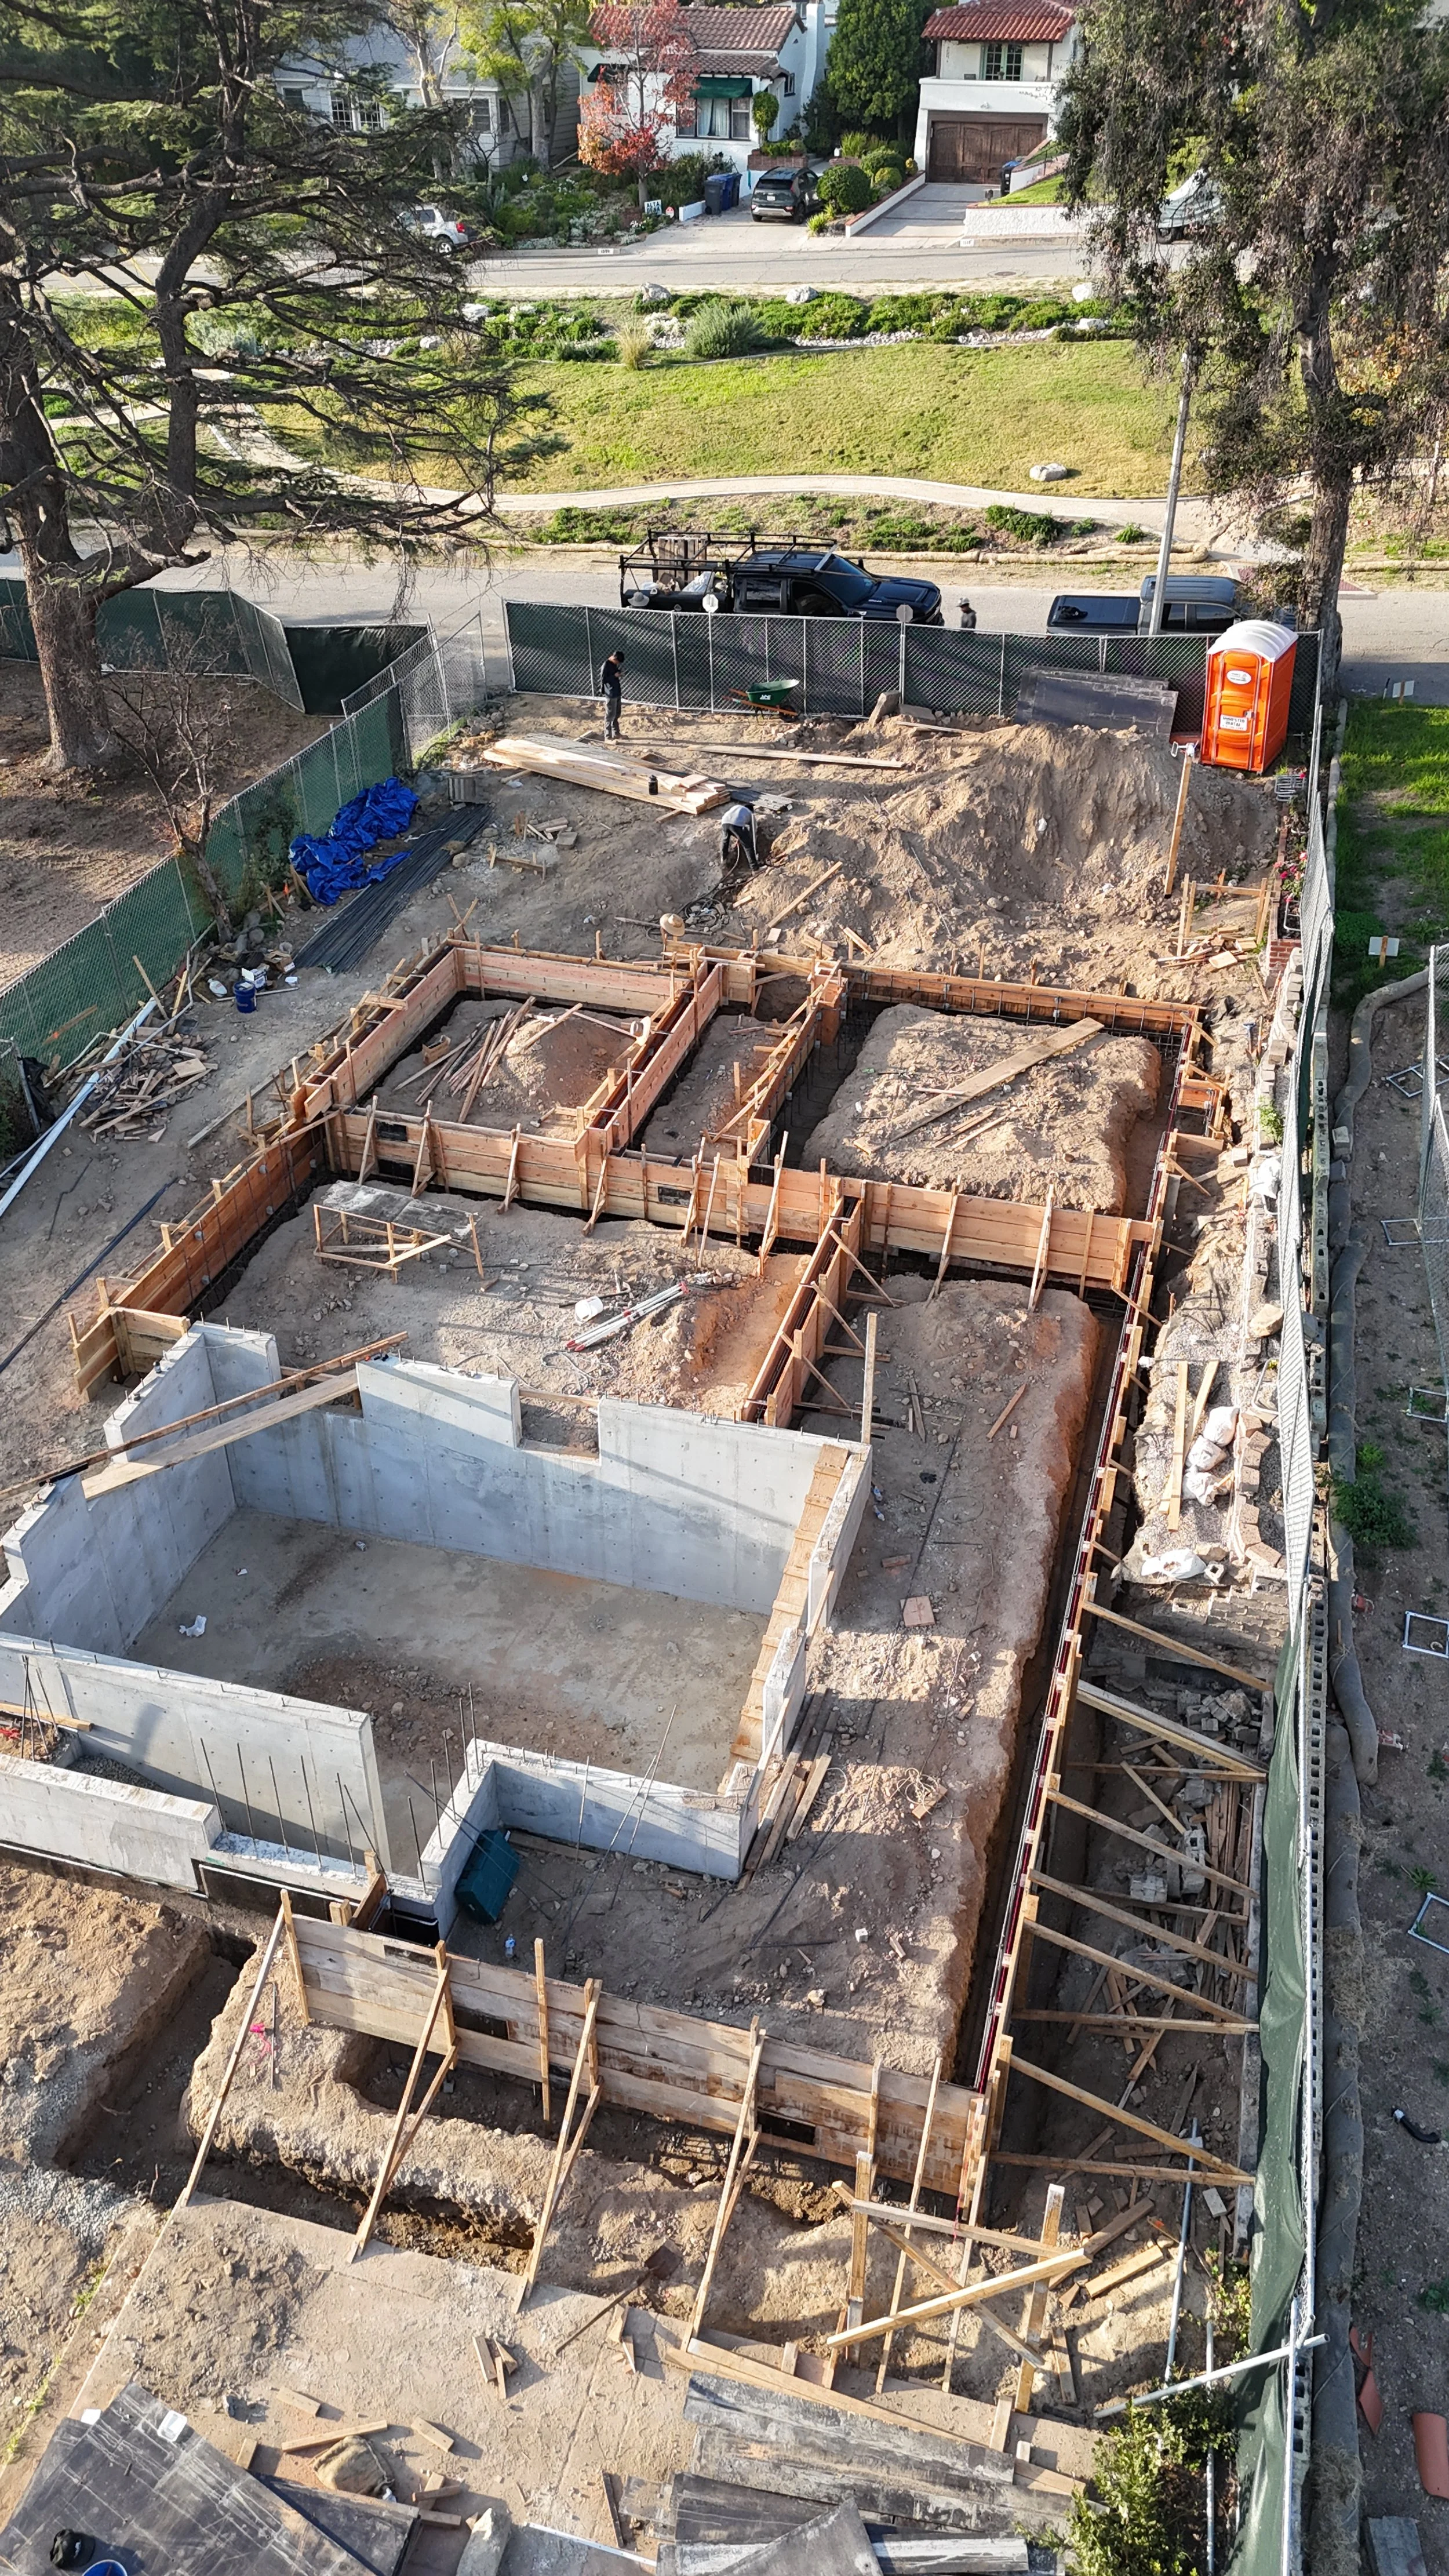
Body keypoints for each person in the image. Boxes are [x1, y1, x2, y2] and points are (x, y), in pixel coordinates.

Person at [719, 801, 759, 873]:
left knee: (725, 841)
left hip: (724, 822)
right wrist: (750, 842)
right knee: (748, 845)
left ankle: (723, 859)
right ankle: (755, 869)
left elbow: (732, 825)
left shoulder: (737, 808)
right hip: (736, 824)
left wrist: (740, 837)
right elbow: (753, 831)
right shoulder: (751, 814)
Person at [600, 648, 624, 741]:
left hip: (617, 692)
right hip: (610, 694)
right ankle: (608, 737)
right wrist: (614, 676)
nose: (618, 664)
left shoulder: (613, 665)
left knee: (616, 714)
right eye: (617, 662)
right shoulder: (606, 665)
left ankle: (616, 733)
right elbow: (604, 680)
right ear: (614, 658)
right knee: (610, 716)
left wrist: (619, 674)